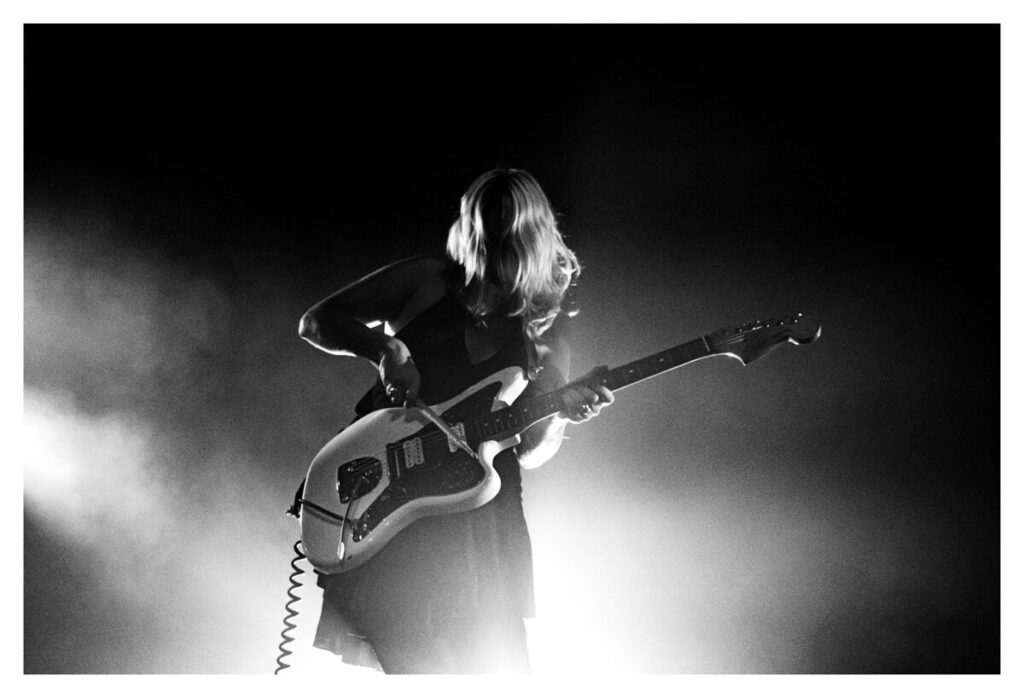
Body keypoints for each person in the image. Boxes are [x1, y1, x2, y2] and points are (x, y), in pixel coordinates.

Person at [297, 167, 613, 673]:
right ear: (469, 228)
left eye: (508, 236)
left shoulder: (545, 342)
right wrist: (383, 348)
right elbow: (317, 321)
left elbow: (530, 451)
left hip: (482, 520)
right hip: (399, 502)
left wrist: (559, 415)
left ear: (532, 239)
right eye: (484, 230)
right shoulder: (426, 281)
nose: (491, 252)